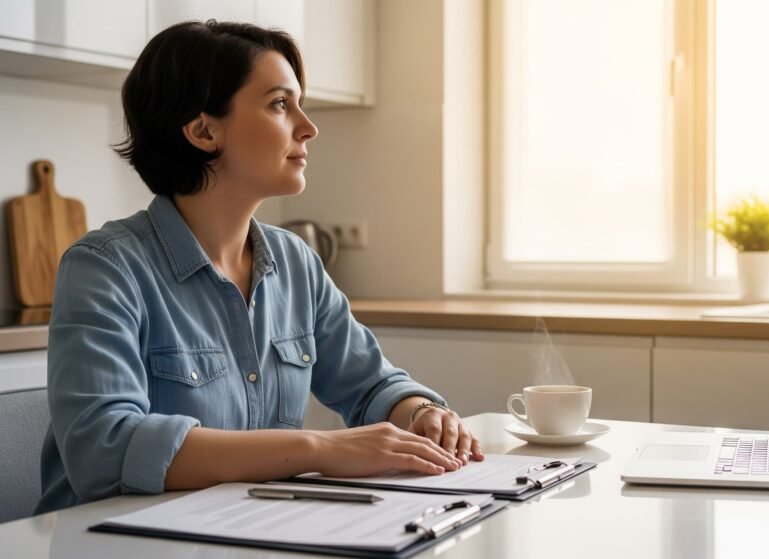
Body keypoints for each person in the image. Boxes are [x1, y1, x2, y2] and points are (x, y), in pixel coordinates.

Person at [35, 20, 482, 514]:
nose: (308, 127)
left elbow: (372, 384)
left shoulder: (296, 263)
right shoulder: (104, 268)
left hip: (244, 529)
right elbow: (104, 449)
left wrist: (420, 412)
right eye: (279, 104)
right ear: (204, 130)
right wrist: (322, 449)